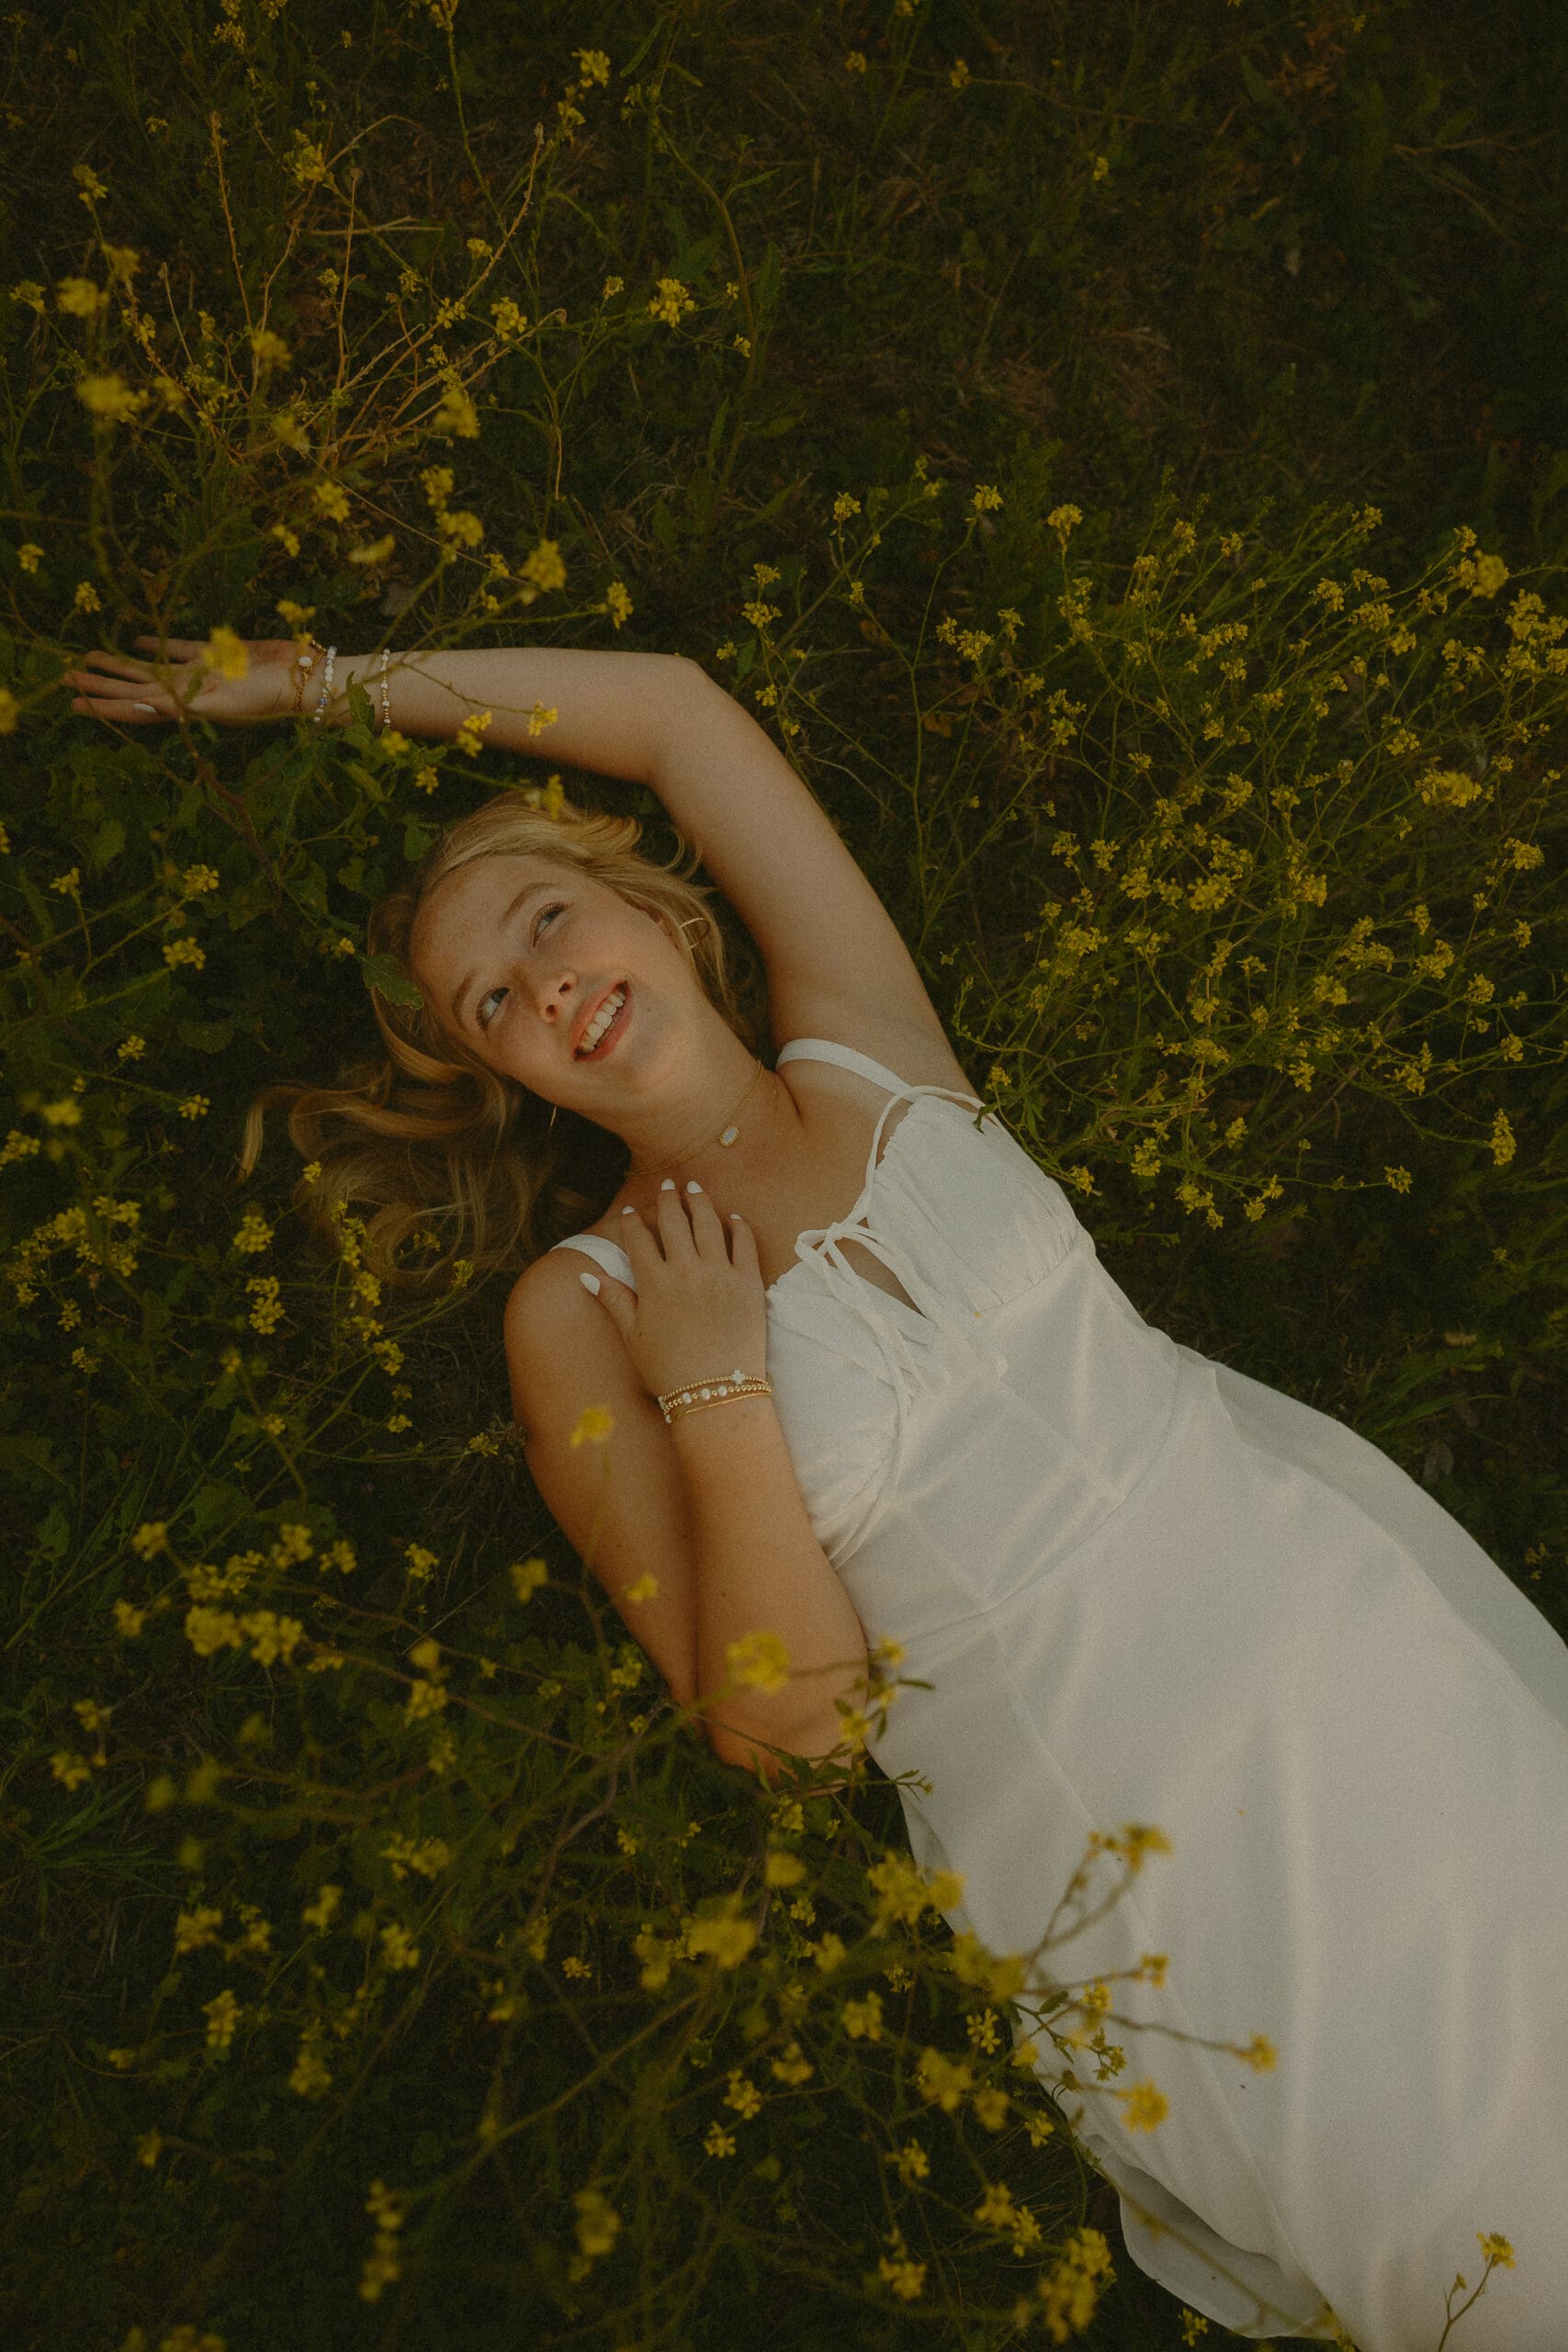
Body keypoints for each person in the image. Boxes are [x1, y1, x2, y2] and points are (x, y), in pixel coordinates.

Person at [67, 633, 1568, 2350]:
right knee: (1482, 2236)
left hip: (1357, 1625)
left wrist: (311, 686)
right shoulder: (583, 1312)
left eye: (546, 921)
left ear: (657, 914)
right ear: (505, 1077)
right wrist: (719, 1392)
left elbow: (679, 712)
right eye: (490, 1001)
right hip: (1143, 1845)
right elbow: (790, 1738)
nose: (543, 985)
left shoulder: (867, 1040)